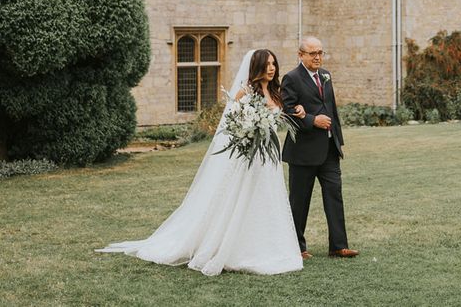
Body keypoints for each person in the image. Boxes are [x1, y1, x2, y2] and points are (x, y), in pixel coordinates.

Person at [97, 49, 306, 275]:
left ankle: (269, 246)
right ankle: (232, 246)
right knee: (242, 196)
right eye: (266, 64)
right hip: (249, 155)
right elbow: (232, 121)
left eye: (273, 63)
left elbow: (282, 117)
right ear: (256, 67)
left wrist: (299, 111)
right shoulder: (245, 91)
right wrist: (249, 129)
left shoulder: (276, 92)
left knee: (267, 197)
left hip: (269, 158)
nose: (271, 68)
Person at [281, 36, 359, 259]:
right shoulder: (291, 78)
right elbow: (287, 112)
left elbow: (331, 109)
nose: (317, 57)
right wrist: (313, 120)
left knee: (334, 195)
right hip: (303, 152)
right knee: (299, 201)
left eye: (320, 53)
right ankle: (297, 248)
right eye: (312, 53)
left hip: (329, 150)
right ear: (301, 55)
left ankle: (338, 245)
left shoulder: (326, 75)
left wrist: (338, 140)